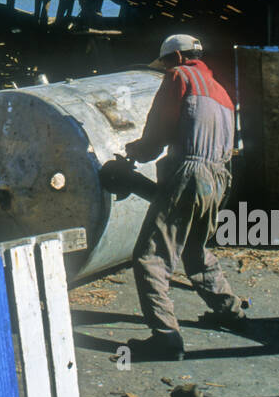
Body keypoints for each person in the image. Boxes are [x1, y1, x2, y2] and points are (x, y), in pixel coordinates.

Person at [101, 33, 247, 360]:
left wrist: (136, 152)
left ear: (177, 58)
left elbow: (159, 129)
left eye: (166, 62)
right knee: (195, 247)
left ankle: (166, 337)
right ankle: (230, 311)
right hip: (220, 177)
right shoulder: (222, 91)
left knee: (150, 256)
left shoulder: (180, 76)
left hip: (191, 172)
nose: (166, 68)